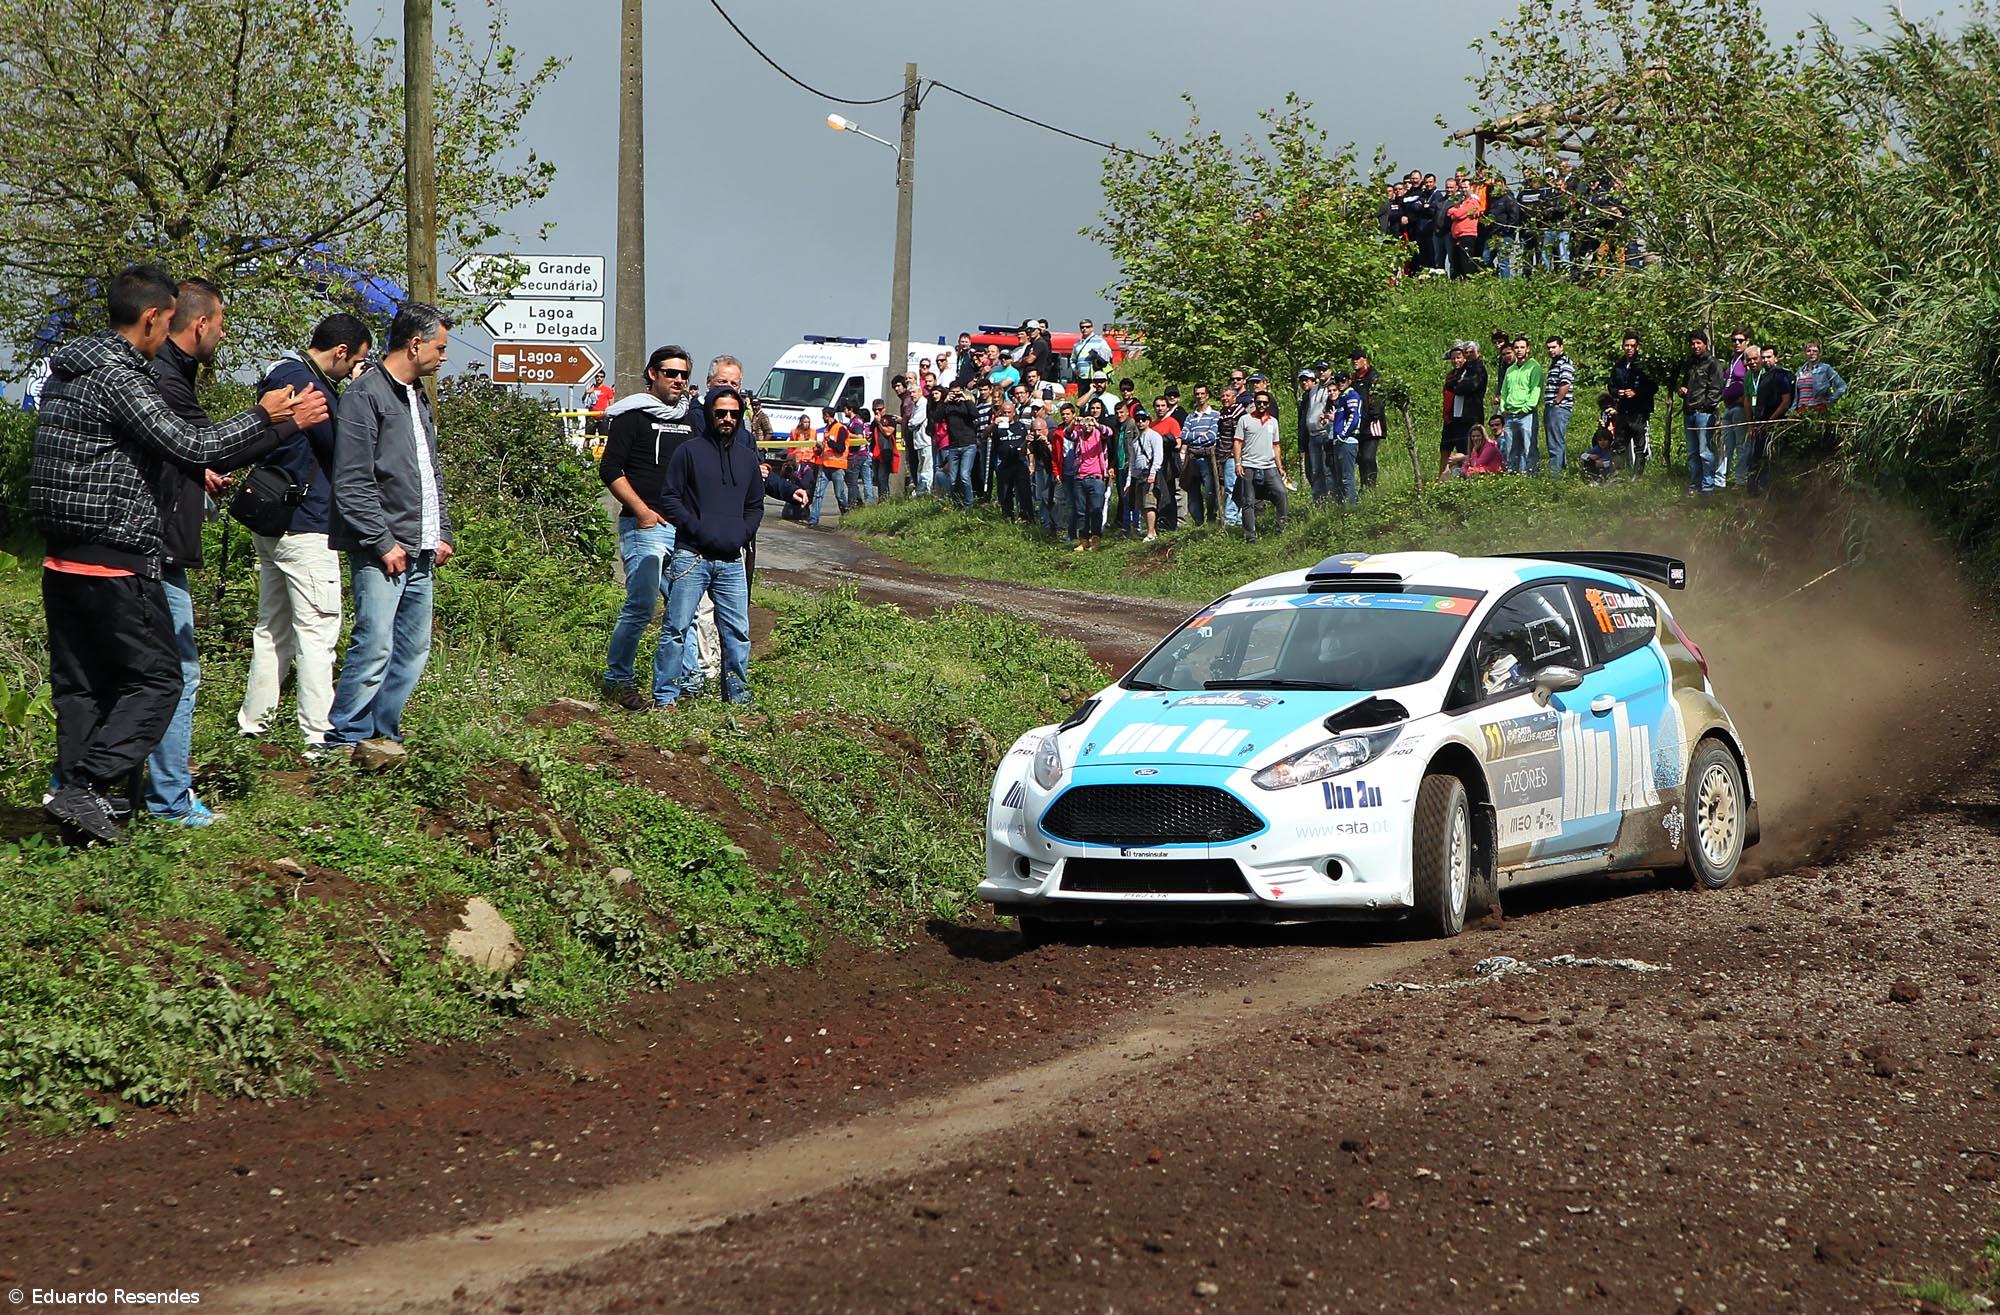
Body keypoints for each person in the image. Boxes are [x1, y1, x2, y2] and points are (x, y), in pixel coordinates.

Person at [31, 266, 325, 843]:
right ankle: (85, 787)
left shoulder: (69, 373)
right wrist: (267, 417)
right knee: (160, 680)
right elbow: (191, 444)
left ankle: (81, 807)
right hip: (116, 558)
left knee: (83, 686)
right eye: (166, 323)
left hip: (60, 558)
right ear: (150, 319)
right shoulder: (122, 378)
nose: (169, 334)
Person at [142, 279, 282, 823]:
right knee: (178, 672)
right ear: (199, 323)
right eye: (221, 322)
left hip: (152, 544)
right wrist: (280, 423)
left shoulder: (171, 375)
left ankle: (111, 785)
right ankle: (168, 799)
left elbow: (183, 450)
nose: (223, 334)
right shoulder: (165, 379)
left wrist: (195, 472)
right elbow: (201, 442)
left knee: (134, 672)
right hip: (156, 549)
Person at [237, 313, 373, 751]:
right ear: (340, 352)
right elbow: (341, 449)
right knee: (318, 632)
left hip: (273, 520)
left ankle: (254, 725)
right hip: (307, 524)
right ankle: (318, 738)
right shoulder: (311, 387)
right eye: (356, 361)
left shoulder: (280, 374)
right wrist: (354, 396)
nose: (354, 369)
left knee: (272, 628)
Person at [323, 303, 454, 752]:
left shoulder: (418, 396)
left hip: (420, 546)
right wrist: (382, 542)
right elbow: (352, 480)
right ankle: (345, 738)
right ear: (415, 344)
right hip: (383, 547)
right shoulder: (365, 396)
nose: (444, 356)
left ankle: (382, 733)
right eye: (439, 347)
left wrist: (443, 532)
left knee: (413, 651)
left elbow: (429, 470)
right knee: (375, 643)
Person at [597, 344, 705, 712]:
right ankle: (618, 679)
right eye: (670, 373)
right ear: (652, 374)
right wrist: (642, 511)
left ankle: (685, 683)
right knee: (641, 606)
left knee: (683, 609)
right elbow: (610, 469)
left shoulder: (693, 417)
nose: (677, 380)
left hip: (685, 529)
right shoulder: (633, 415)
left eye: (683, 374)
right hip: (647, 526)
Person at [657, 386, 762, 707]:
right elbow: (670, 499)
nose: (727, 419)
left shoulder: (747, 459)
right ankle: (665, 699)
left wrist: (741, 534)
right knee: (676, 628)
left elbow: (755, 505)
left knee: (738, 634)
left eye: (733, 413)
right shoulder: (688, 452)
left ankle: (738, 701)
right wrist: (697, 528)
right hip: (692, 556)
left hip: (731, 560)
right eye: (721, 413)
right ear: (709, 414)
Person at [1234, 388, 1288, 543]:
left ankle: (1281, 528)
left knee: (1281, 494)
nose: (1262, 405)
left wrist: (1280, 466)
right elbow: (1237, 442)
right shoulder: (1245, 419)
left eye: (1265, 403)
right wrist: (1238, 462)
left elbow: (1276, 445)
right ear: (1255, 403)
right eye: (1259, 402)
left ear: (1268, 404)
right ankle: (1250, 535)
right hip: (1249, 465)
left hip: (1269, 465)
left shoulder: (1273, 421)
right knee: (1248, 501)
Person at [1679, 329, 1726, 495]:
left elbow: (1716, 388)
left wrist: (1705, 406)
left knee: (1705, 452)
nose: (1695, 346)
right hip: (1689, 411)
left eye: (1698, 343)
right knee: (1692, 453)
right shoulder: (1690, 363)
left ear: (1705, 344)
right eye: (1692, 343)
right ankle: (1694, 485)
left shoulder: (1712, 363)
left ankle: (1708, 487)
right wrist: (1682, 390)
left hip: (1704, 414)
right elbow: (1684, 384)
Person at [1746, 345, 1793, 496]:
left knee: (1769, 458)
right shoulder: (1764, 376)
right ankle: (1754, 492)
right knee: (1756, 457)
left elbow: (1785, 401)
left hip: (1774, 424)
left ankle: (1769, 492)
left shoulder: (1782, 375)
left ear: (1776, 358)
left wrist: (1770, 421)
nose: (1766, 360)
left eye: (1769, 357)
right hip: (1760, 423)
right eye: (1763, 357)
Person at [1609, 333, 1658, 473]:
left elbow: (1653, 387)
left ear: (1638, 347)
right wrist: (1617, 392)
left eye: (1632, 346)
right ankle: (1616, 475)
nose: (1629, 348)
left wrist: (1637, 393)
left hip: (1639, 412)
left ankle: (1638, 476)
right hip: (1623, 411)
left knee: (1640, 446)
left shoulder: (1644, 365)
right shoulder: (1618, 365)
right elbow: (1611, 385)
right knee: (1619, 444)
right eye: (1626, 345)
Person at [1066, 406, 1110, 551]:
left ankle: (1096, 539)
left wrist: (1095, 423)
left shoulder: (1099, 433)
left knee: (1096, 510)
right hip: (1080, 477)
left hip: (1096, 477)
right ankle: (1083, 539)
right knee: (1080, 511)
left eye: (1090, 423)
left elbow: (1108, 432)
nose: (1088, 426)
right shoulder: (1079, 435)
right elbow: (1068, 434)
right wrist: (1074, 422)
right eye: (1086, 423)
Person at [1498, 337, 1544, 473]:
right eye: (1516, 347)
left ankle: (1530, 475)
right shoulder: (1510, 369)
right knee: (1511, 448)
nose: (1519, 350)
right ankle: (1512, 475)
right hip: (1510, 414)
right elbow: (1504, 390)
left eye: (1522, 347)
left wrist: (1526, 408)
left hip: (1526, 414)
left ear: (1527, 349)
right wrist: (1503, 407)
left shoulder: (1534, 367)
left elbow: (1535, 390)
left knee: (1529, 447)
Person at [1180, 384, 1222, 525]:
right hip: (1192, 457)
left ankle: (1211, 515)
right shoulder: (1190, 417)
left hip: (1207, 456)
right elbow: (1184, 435)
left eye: (1202, 393)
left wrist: (1194, 437)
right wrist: (1199, 434)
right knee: (1193, 491)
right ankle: (1198, 521)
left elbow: (1211, 436)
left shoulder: (1215, 415)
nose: (1199, 396)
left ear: (1207, 395)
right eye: (1197, 394)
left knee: (1210, 490)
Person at [1792, 341, 1847, 444]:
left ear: (1819, 353)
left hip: (1818, 409)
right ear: (1804, 353)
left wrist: (1830, 401)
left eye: (1815, 351)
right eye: (1809, 351)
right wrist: (1792, 411)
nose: (1812, 353)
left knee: (1818, 440)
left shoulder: (1825, 369)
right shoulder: (1800, 372)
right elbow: (1797, 394)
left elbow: (1842, 386)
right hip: (1802, 411)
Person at [986, 400, 1032, 521]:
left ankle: (1027, 517)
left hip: (1019, 462)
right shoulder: (998, 427)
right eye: (1004, 413)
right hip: (1004, 463)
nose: (1007, 415)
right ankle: (1008, 517)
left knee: (1024, 491)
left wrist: (1031, 463)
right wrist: (993, 424)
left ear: (1014, 413)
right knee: (1005, 493)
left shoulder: (1021, 427)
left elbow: (1027, 446)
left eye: (1009, 412)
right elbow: (984, 436)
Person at [1324, 369, 1363, 504]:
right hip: (1339, 442)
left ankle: (1352, 506)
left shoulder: (1351, 395)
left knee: (1347, 477)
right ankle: (1343, 506)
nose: (1340, 383)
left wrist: (1342, 435)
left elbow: (1354, 417)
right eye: (1338, 380)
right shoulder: (1341, 398)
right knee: (1340, 477)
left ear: (1349, 381)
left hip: (1348, 441)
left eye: (1343, 380)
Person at [1349, 351, 1386, 489]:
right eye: (1353, 359)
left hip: (1372, 424)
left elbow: (1378, 399)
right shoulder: (1353, 380)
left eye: (1358, 358)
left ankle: (1371, 485)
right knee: (1360, 458)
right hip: (1357, 424)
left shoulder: (1373, 376)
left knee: (1368, 457)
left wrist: (1373, 414)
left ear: (1365, 359)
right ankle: (1364, 486)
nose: (1354, 361)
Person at [809, 406, 849, 527]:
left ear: (827, 416)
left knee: (839, 495)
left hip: (837, 467)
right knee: (818, 494)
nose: (822, 418)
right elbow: (826, 449)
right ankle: (813, 520)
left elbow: (840, 448)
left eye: (823, 416)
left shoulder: (840, 429)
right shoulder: (827, 429)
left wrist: (829, 441)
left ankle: (846, 514)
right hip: (825, 466)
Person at [1541, 336, 1576, 474]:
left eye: (1553, 347)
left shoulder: (1564, 363)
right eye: (1548, 348)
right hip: (1553, 406)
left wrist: (1557, 401)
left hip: (1559, 407)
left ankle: (1555, 473)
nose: (1551, 350)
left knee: (1555, 441)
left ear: (1561, 347)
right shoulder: (1555, 363)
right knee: (1555, 439)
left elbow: (1565, 383)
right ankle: (1561, 469)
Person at [1070, 319, 1113, 384]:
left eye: (1087, 327)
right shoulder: (1077, 344)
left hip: (1096, 377)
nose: (1084, 329)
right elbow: (1073, 360)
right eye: (1082, 327)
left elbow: (1108, 356)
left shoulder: (1100, 341)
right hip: (1082, 377)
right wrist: (1075, 370)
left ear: (1092, 328)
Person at [583, 371, 615, 437]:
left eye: (601, 376)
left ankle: (601, 446)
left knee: (602, 437)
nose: (599, 378)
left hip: (602, 416)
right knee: (588, 437)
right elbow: (584, 400)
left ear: (604, 378)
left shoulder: (607, 389)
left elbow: (611, 404)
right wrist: (586, 393)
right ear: (595, 378)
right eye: (597, 376)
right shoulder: (591, 387)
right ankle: (585, 447)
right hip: (591, 415)